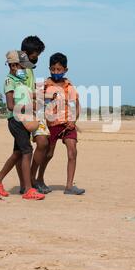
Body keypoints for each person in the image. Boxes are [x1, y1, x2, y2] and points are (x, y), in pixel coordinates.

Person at [0, 50, 45, 200]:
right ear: (13, 65)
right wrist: (31, 107)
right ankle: (28, 190)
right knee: (27, 152)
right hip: (15, 120)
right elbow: (11, 105)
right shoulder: (9, 81)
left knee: (17, 153)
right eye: (22, 66)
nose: (25, 69)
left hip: (23, 120)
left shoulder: (20, 79)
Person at [38, 52, 85, 195]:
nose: (56, 72)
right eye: (53, 69)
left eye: (59, 69)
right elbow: (38, 104)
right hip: (51, 124)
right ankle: (39, 180)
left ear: (65, 70)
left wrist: (73, 121)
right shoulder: (45, 86)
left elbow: (76, 106)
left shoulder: (69, 87)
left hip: (68, 124)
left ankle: (69, 186)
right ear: (49, 69)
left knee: (73, 152)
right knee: (49, 154)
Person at [16, 36, 52, 195]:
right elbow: (20, 92)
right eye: (35, 55)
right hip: (23, 113)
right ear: (25, 53)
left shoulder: (30, 69)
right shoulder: (18, 70)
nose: (37, 58)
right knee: (21, 151)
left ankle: (31, 177)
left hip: (35, 111)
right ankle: (25, 184)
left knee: (43, 143)